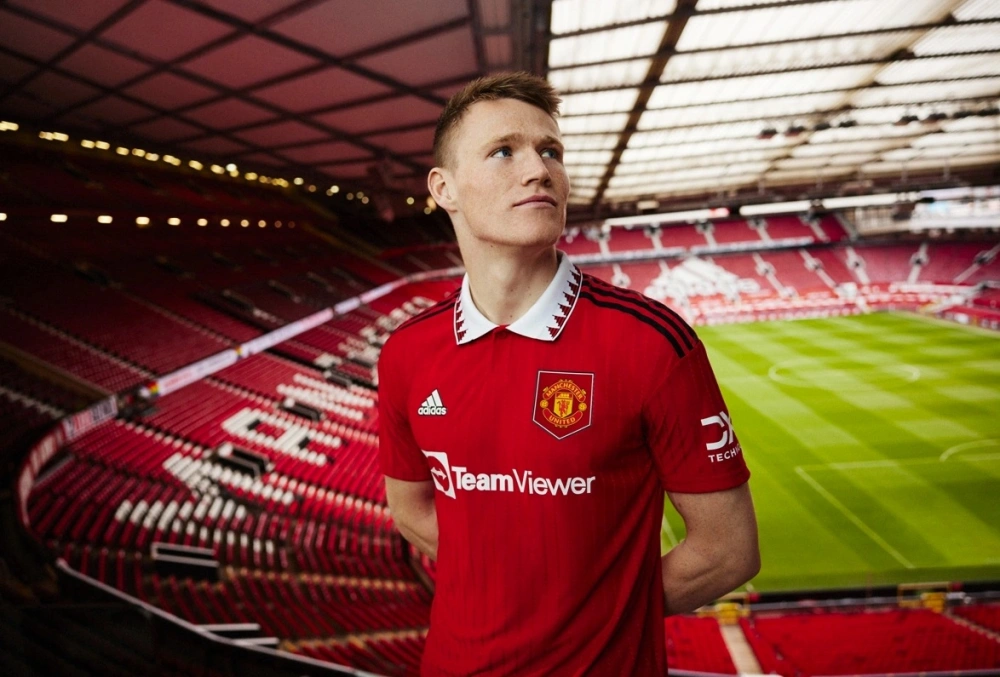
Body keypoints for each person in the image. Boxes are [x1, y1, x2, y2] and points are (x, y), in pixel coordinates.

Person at [378, 72, 759, 676]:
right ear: (443, 188)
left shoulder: (653, 343)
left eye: (550, 150)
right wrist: (503, 593)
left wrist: (593, 619)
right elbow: (411, 512)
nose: (539, 169)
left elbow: (727, 550)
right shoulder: (406, 351)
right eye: (504, 151)